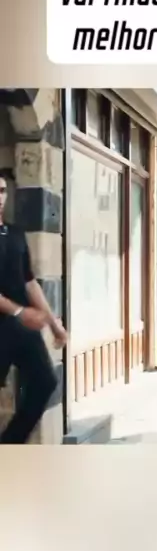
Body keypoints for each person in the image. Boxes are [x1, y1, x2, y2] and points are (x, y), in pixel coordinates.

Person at [0, 171, 68, 444]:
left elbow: (29, 282)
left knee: (45, 382)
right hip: (9, 323)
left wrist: (54, 324)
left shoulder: (15, 234)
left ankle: (9, 446)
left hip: (22, 326)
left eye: (2, 191)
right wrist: (19, 312)